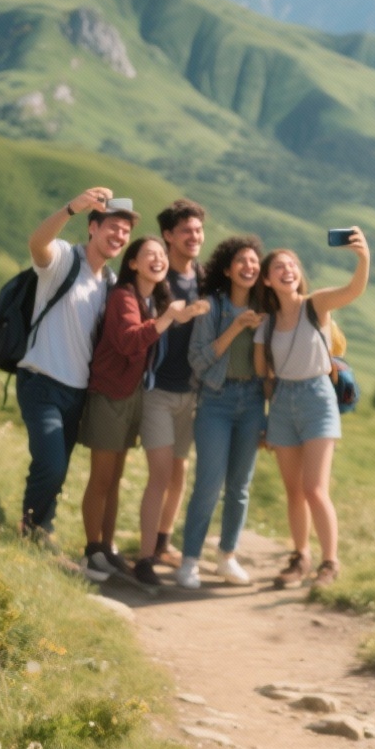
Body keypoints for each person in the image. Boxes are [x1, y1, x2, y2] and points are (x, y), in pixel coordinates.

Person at [78, 236, 209, 587]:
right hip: (110, 394)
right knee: (102, 477)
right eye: (148, 255)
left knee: (115, 478)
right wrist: (168, 317)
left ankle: (106, 547)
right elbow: (129, 341)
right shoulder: (124, 296)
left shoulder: (150, 298)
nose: (158, 260)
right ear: (132, 263)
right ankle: (92, 550)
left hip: (130, 395)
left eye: (160, 256)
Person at [16, 188, 134, 551]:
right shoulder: (64, 260)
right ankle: (30, 528)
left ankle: (39, 532)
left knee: (59, 469)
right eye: (113, 227)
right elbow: (37, 242)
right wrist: (70, 207)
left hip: (77, 391)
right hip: (41, 381)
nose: (119, 236)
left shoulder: (111, 284)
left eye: (125, 232)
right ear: (93, 228)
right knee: (51, 464)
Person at [253, 233, 371, 590]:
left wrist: (363, 257)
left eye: (291, 265)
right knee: (293, 490)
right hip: (283, 402)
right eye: (278, 267)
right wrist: (264, 422)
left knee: (315, 488)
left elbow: (353, 290)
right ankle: (300, 556)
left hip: (318, 397)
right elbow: (264, 377)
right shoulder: (266, 322)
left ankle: (329, 562)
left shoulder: (316, 305)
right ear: (267, 279)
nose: (287, 270)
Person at [176, 236, 267, 590]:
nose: (249, 267)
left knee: (240, 487)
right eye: (241, 261)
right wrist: (236, 327)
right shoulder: (211, 306)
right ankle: (190, 561)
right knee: (209, 485)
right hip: (216, 399)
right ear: (227, 269)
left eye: (254, 261)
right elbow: (198, 361)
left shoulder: (265, 308)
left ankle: (227, 557)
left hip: (253, 401)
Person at [138, 199, 206, 569]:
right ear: (168, 236)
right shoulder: (158, 278)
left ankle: (162, 543)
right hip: (158, 391)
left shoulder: (205, 278)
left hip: (191, 392)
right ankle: (146, 557)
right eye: (186, 231)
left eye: (198, 230)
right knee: (160, 474)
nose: (194, 237)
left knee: (178, 472)